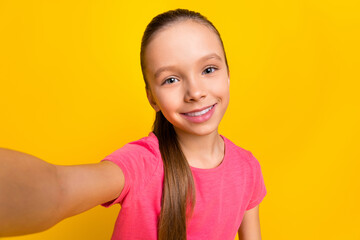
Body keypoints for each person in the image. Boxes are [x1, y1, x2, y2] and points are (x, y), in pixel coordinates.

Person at [0, 8, 267, 240]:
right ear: (152, 98)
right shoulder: (143, 164)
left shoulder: (248, 168)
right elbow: (59, 189)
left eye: (208, 70)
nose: (195, 92)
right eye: (171, 80)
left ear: (228, 76)